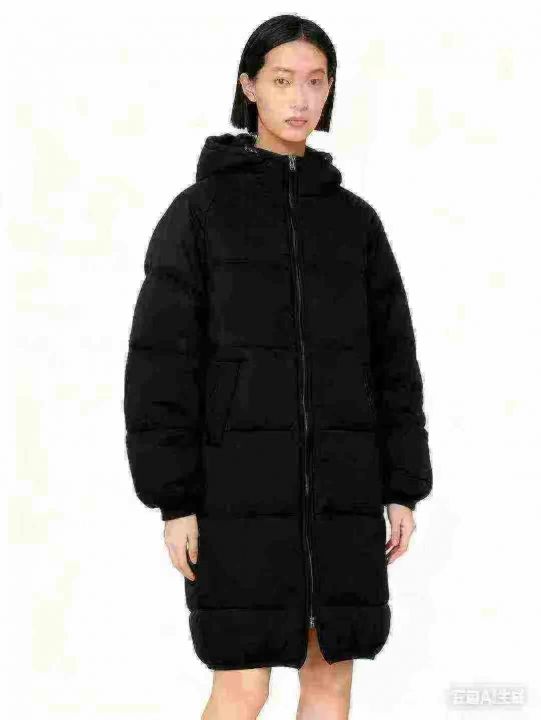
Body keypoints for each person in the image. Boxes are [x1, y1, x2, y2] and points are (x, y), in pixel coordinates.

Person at [123, 13, 433, 719]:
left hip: (343, 494)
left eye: (316, 82)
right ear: (249, 87)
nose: (300, 99)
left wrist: (402, 486)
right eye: (283, 80)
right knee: (243, 685)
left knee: (330, 679)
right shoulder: (200, 215)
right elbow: (160, 368)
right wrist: (174, 501)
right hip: (236, 496)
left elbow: (394, 364)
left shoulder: (354, 223)